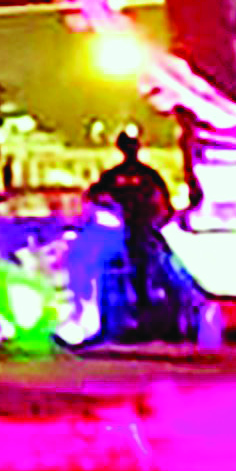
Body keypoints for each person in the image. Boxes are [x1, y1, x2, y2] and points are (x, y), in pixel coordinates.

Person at [90, 130, 183, 345]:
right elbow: (94, 196)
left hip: (143, 231)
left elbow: (165, 200)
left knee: (159, 272)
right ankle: (119, 320)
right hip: (123, 232)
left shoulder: (141, 174)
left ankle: (164, 320)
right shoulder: (121, 175)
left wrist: (159, 220)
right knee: (113, 274)